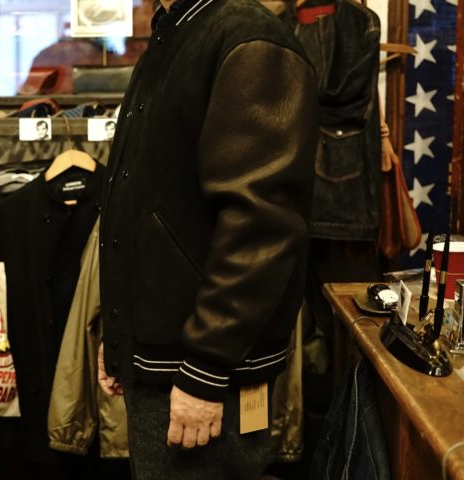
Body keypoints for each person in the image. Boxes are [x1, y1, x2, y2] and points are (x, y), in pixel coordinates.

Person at [97, 0, 318, 479]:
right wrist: (118, 336)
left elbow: (261, 227)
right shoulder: (177, 31)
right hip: (168, 362)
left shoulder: (247, 39)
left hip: (204, 375)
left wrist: (206, 369)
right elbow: (146, 201)